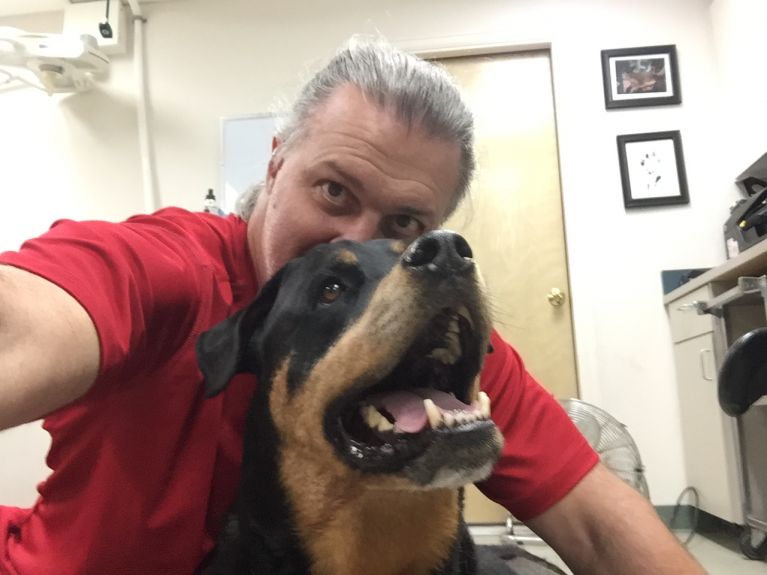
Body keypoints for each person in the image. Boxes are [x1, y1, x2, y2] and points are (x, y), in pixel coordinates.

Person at [0, 36, 704, 575]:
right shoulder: (168, 269)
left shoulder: (436, 353)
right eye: (334, 190)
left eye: (405, 225)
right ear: (274, 166)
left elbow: (601, 529)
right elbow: (20, 324)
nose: (361, 241)